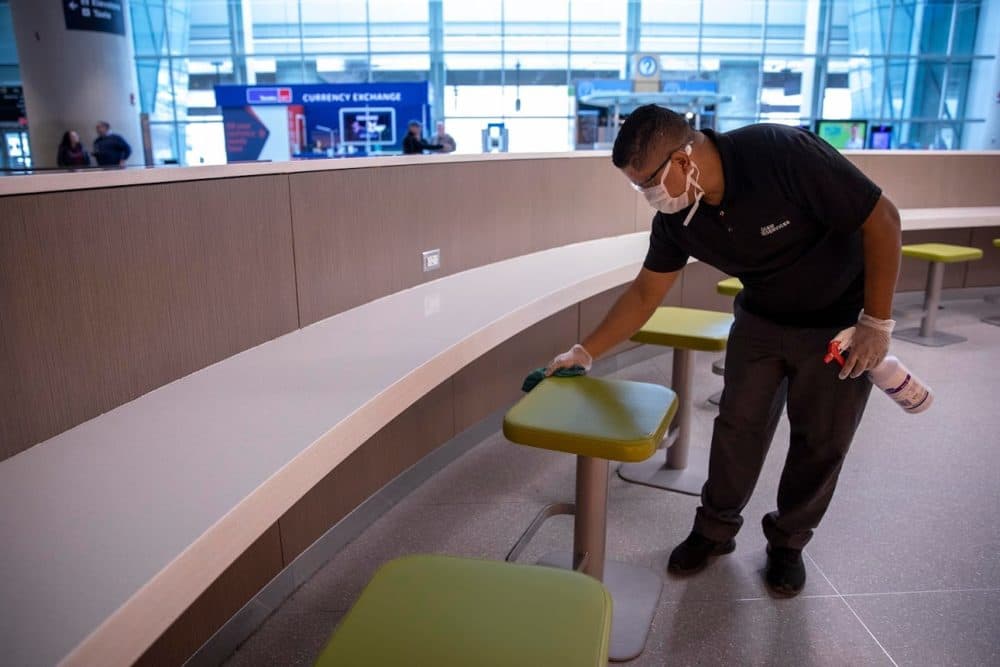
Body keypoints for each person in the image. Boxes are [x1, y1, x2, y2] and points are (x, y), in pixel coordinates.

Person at [545, 105, 901, 597]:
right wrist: (585, 352)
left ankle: (788, 543)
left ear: (684, 160)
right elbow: (646, 293)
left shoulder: (779, 153)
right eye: (638, 188)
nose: (649, 197)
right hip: (760, 320)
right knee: (738, 426)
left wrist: (875, 323)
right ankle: (714, 530)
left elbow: (882, 218)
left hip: (839, 324)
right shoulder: (678, 218)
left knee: (821, 440)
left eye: (649, 182)